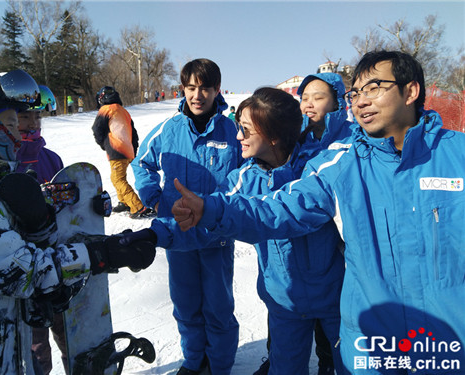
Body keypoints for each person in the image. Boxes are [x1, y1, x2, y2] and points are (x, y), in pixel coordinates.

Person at [173, 50, 465, 374]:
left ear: (410, 91)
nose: (362, 101)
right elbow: (279, 208)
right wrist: (209, 209)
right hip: (372, 348)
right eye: (356, 92)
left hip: (447, 346)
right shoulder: (341, 164)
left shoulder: (457, 156)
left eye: (374, 88)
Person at [0, 69, 156, 374]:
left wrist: (80, 211)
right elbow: (23, 273)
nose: (18, 134)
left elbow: (18, 289)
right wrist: (102, 254)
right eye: (9, 125)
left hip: (5, 355)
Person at [131, 58, 244, 375]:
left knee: (218, 308)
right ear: (183, 89)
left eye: (205, 88)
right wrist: (153, 197)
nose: (198, 95)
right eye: (191, 87)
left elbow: (245, 176)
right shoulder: (169, 129)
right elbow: (142, 163)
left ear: (216, 90)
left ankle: (219, 366)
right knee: (186, 304)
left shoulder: (231, 131)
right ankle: (195, 363)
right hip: (177, 234)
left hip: (216, 235)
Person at [253, 72, 354, 375]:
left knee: (337, 335)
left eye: (318, 97)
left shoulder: (352, 139)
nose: (308, 104)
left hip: (337, 259)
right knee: (286, 318)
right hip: (294, 258)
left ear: (337, 101)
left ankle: (328, 363)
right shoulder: (296, 141)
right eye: (304, 98)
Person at [14, 84, 68, 374]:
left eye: (38, 117)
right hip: (22, 263)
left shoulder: (51, 158)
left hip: (55, 259)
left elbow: (67, 201)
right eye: (24, 117)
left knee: (65, 328)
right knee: (35, 342)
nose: (33, 124)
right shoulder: (6, 159)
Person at [92, 86, 155, 218]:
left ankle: (137, 206)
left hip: (117, 151)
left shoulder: (106, 110)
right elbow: (134, 133)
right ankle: (124, 202)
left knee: (118, 179)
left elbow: (97, 130)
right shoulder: (124, 111)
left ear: (101, 99)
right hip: (128, 151)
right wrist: (134, 148)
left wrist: (104, 145)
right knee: (117, 178)